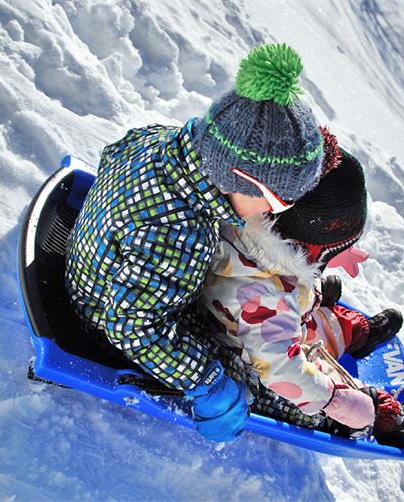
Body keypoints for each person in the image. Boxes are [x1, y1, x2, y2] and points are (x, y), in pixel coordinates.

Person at [64, 43, 325, 442]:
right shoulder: (179, 234)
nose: (274, 214)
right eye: (277, 201)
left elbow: (110, 156)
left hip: (105, 269)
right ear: (240, 178)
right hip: (106, 318)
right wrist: (208, 384)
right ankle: (323, 414)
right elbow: (131, 327)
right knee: (249, 370)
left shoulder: (161, 140)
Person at [201, 126, 404, 447]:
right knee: (328, 379)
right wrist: (338, 402)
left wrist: (316, 275)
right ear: (317, 246)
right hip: (261, 361)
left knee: (320, 319)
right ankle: (385, 418)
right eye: (333, 250)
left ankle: (355, 332)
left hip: (259, 323)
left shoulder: (251, 224)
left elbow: (283, 273)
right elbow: (283, 369)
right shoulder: (266, 298)